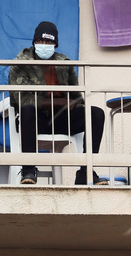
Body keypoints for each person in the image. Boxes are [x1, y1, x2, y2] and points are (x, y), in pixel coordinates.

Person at [8, 21, 107, 185]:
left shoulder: (64, 63)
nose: (44, 44)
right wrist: (59, 102)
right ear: (34, 42)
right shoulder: (21, 63)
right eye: (40, 41)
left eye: (48, 41)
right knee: (27, 109)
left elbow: (76, 97)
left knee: (96, 114)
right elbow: (21, 99)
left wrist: (72, 104)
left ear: (55, 44)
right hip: (34, 121)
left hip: (61, 119)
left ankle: (86, 172)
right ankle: (28, 170)